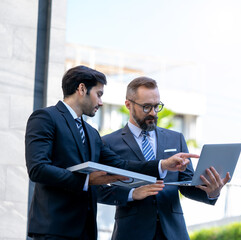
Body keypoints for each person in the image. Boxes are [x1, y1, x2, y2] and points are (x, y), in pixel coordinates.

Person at [25, 66, 197, 240]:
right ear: (82, 89)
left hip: (86, 230)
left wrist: (163, 165)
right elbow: (38, 169)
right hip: (53, 229)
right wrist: (86, 180)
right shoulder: (45, 118)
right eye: (99, 94)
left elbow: (121, 165)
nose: (100, 102)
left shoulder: (92, 133)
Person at [97, 76, 230, 240]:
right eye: (146, 107)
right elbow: (97, 189)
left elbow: (186, 183)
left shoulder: (176, 138)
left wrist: (211, 192)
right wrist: (131, 193)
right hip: (131, 232)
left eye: (156, 106)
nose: (153, 113)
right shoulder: (108, 143)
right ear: (128, 105)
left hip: (173, 232)